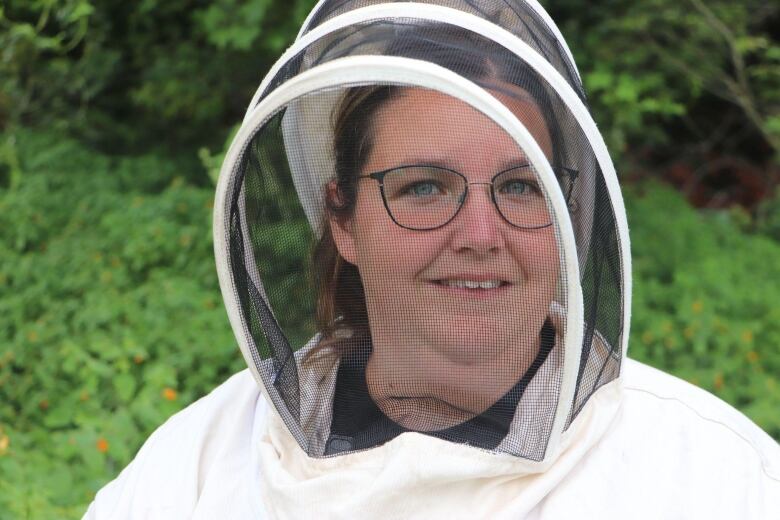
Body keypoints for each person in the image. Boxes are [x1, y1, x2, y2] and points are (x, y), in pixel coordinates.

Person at [85, 1, 779, 518]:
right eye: (423, 186)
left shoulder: (713, 477)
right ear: (341, 219)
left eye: (519, 184)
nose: (482, 232)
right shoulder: (198, 466)